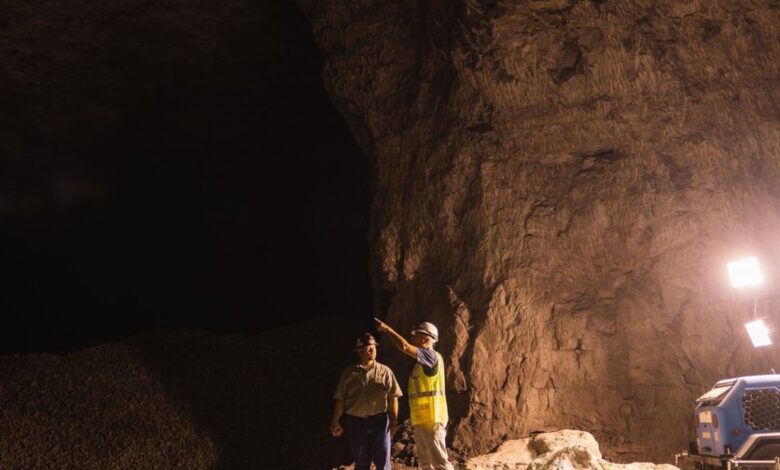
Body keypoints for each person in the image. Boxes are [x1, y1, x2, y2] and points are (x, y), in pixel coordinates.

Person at [374, 318, 455, 470]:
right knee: (426, 464)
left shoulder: (431, 357)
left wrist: (386, 329)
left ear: (426, 339)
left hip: (433, 419)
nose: (412, 338)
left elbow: (405, 347)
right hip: (422, 421)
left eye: (415, 336)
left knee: (440, 463)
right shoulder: (420, 365)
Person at [331, 332, 402, 470]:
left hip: (380, 422)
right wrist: (335, 421)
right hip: (356, 423)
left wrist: (393, 420)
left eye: (374, 347)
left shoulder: (385, 371)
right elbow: (340, 398)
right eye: (368, 347)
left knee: (383, 463)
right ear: (359, 350)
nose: (372, 350)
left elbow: (393, 397)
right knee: (362, 462)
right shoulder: (349, 373)